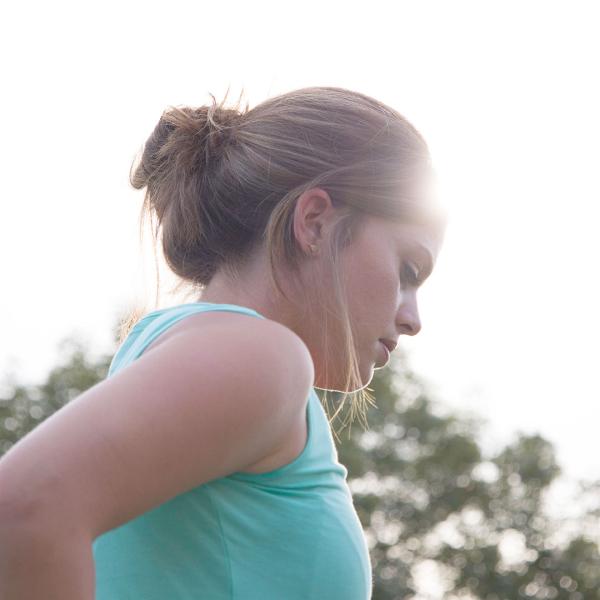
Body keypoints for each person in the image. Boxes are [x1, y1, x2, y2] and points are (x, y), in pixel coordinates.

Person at [0, 86, 445, 599]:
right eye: (408, 270)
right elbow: (26, 507)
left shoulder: (205, 351)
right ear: (316, 221)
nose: (412, 319)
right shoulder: (260, 357)